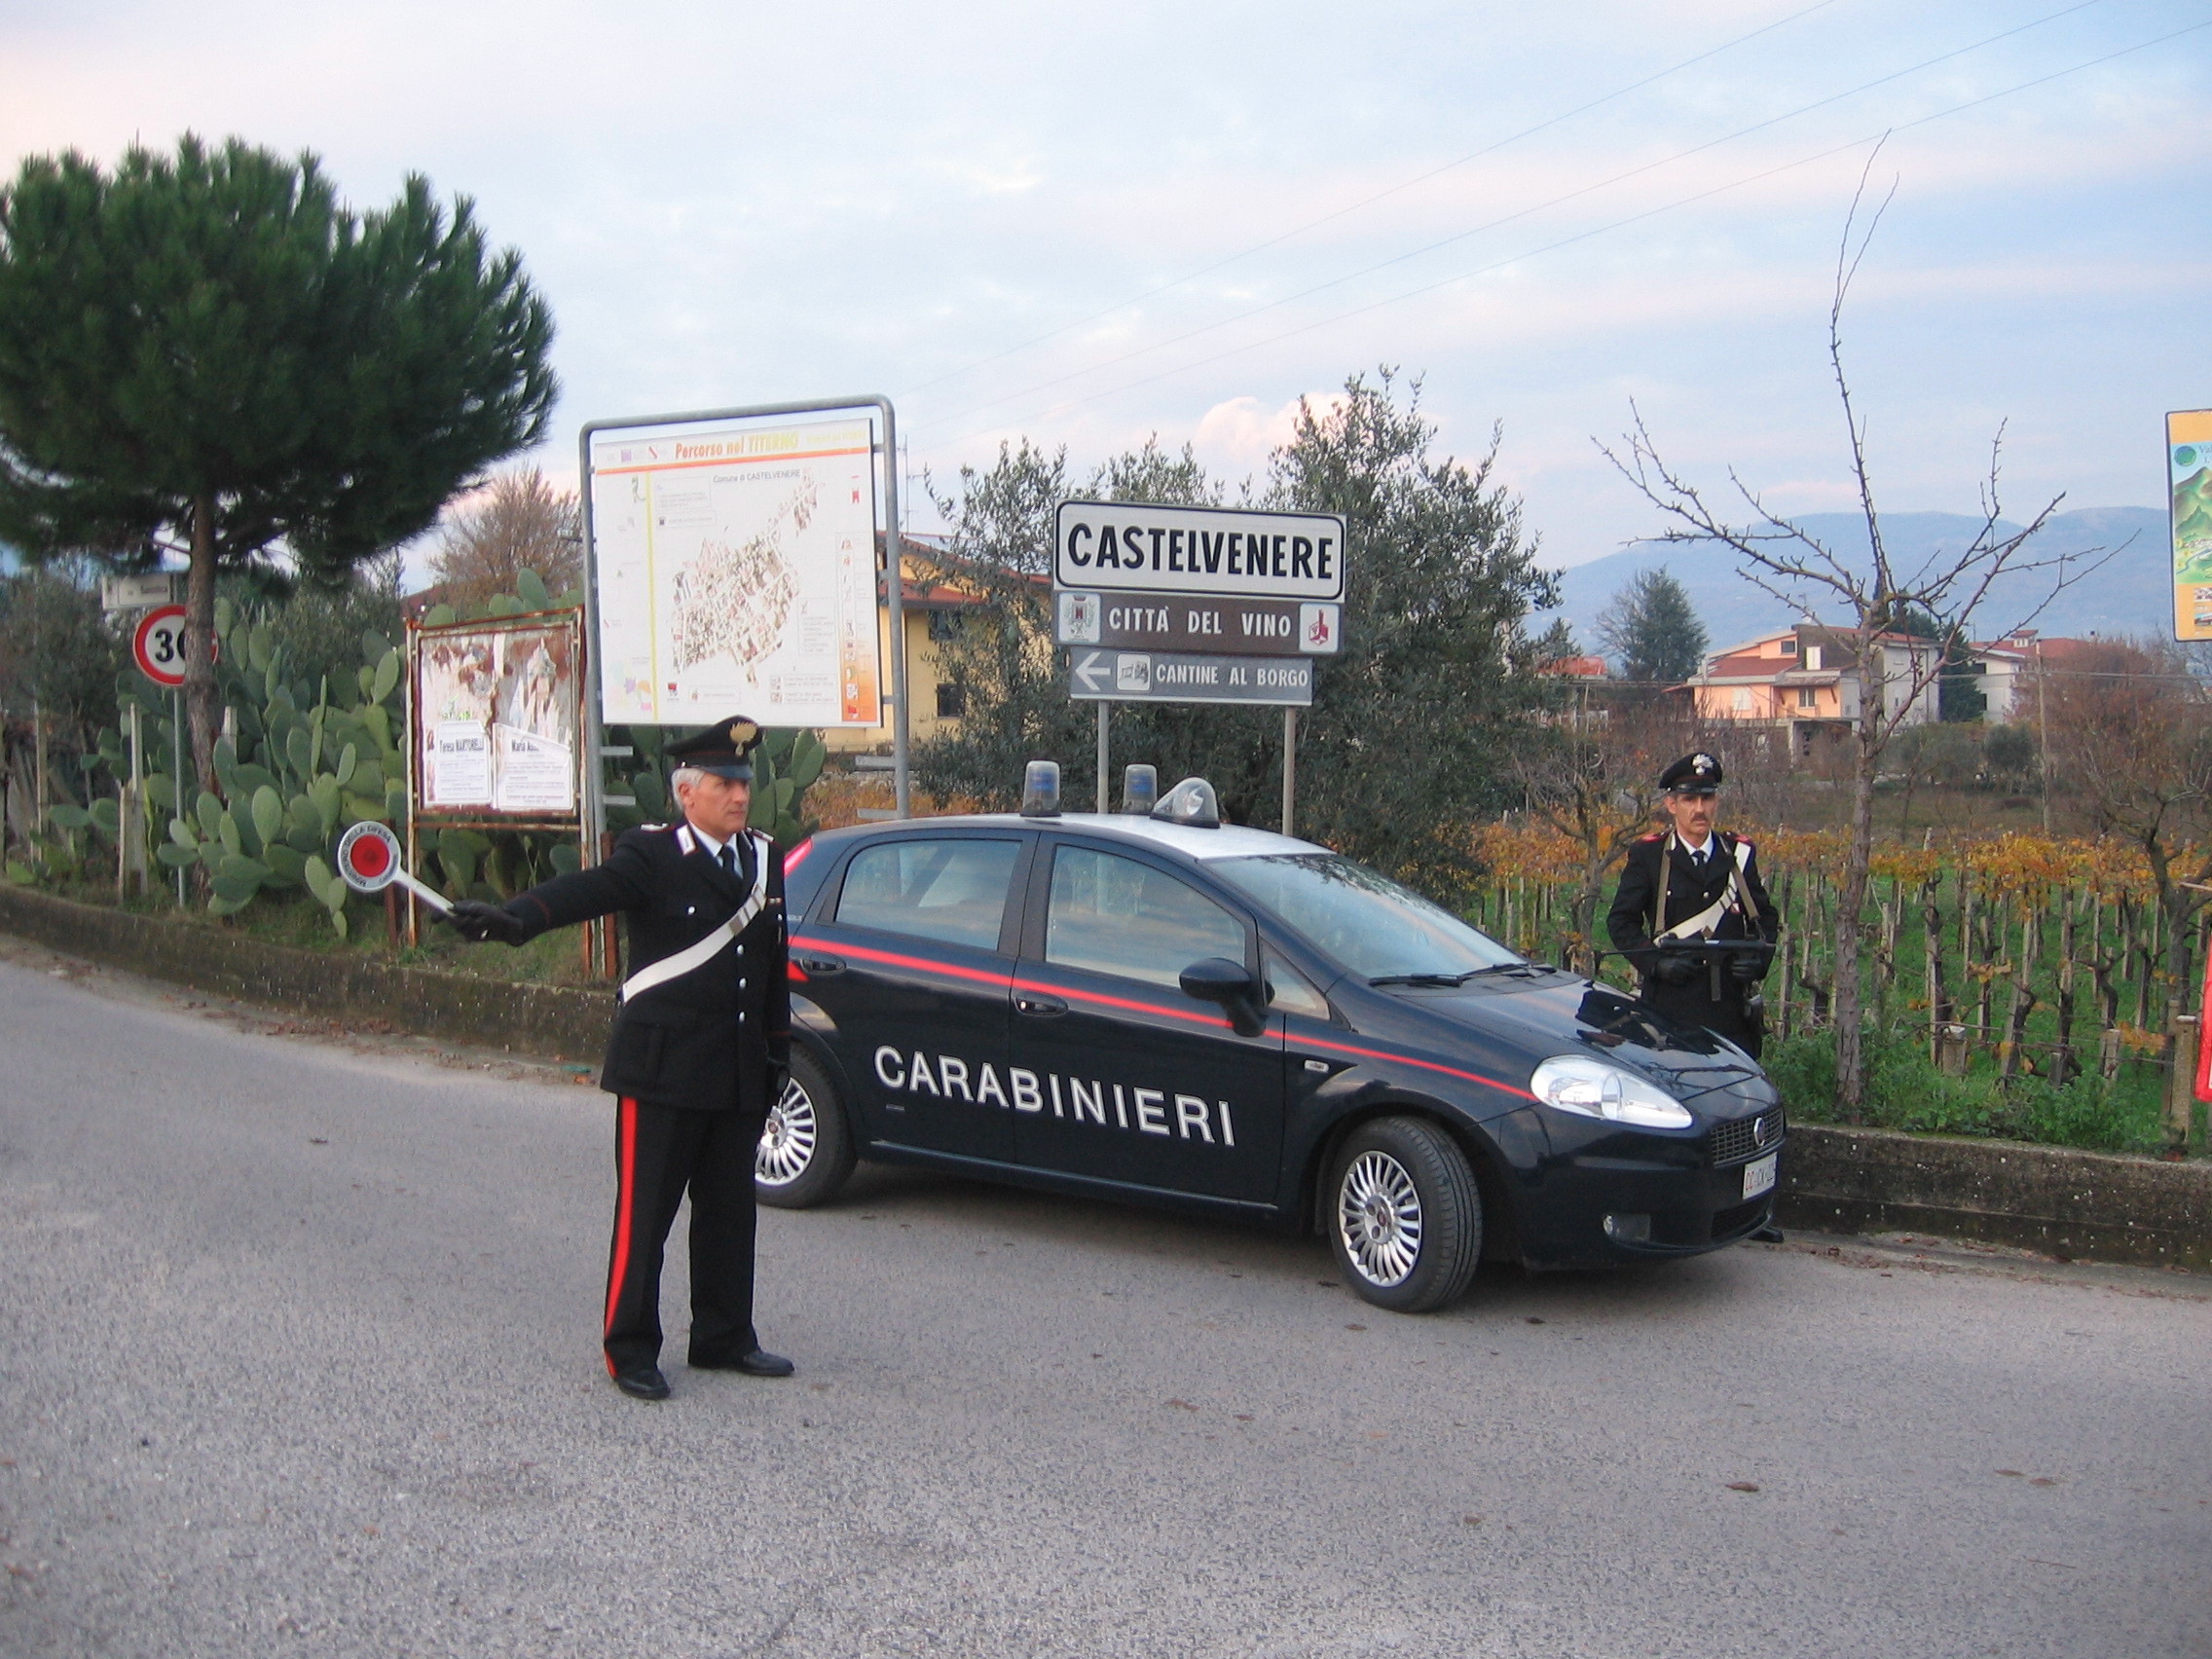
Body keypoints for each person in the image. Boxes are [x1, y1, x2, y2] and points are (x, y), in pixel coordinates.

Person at [444, 716, 793, 1401]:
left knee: (729, 1213)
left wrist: (775, 1055)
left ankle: (724, 1336)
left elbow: (772, 963)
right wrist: (516, 919)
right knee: (646, 1216)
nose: (739, 796)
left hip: (735, 1068)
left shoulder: (762, 857)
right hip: (661, 1070)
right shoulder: (652, 854)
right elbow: (591, 892)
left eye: (744, 784)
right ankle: (629, 1346)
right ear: (686, 793)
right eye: (724, 784)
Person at [1604, 751, 1779, 1057]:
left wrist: (1757, 964)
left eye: (1707, 799)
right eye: (1689, 800)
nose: (1700, 809)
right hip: (1670, 1007)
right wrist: (1656, 964)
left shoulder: (1738, 854)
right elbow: (1621, 922)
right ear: (1671, 805)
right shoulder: (1650, 856)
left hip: (1729, 1009)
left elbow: (1764, 917)